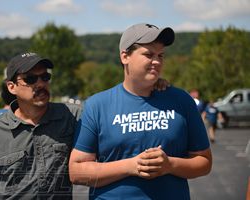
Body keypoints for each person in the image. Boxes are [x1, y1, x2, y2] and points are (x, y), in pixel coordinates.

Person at [69, 23, 212, 199]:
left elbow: (204, 162)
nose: (157, 61)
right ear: (125, 56)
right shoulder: (97, 105)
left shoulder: (181, 100)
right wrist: (131, 166)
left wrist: (170, 165)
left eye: (161, 55)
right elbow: (76, 172)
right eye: (148, 54)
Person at [0, 52, 82, 199]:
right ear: (12, 87)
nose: (40, 84)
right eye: (30, 79)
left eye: (45, 77)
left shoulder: (71, 116)